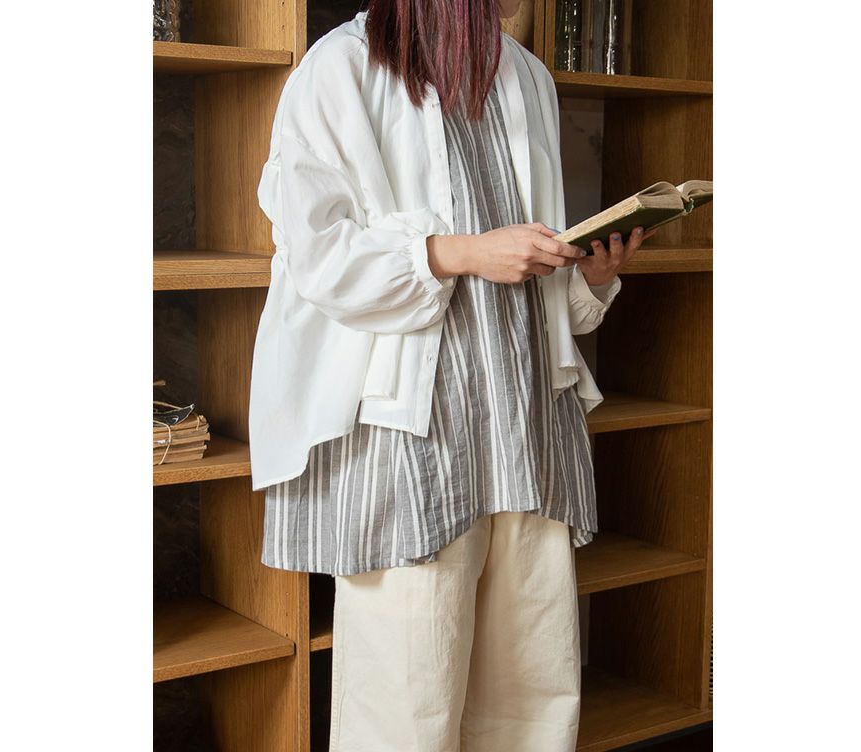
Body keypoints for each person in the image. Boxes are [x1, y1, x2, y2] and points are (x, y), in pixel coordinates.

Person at [248, 1, 656, 750]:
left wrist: (589, 275)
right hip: (414, 434)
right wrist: (461, 252)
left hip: (526, 423)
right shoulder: (342, 65)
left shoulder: (524, 74)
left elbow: (531, 263)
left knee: (530, 689)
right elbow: (317, 254)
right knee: (407, 697)